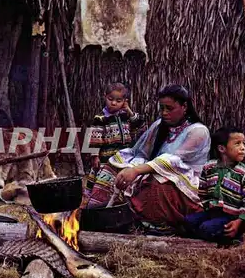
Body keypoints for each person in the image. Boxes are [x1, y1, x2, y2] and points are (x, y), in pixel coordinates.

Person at [83, 84, 211, 235]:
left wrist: (136, 171)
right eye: (162, 108)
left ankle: (156, 227)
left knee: (157, 183)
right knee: (113, 164)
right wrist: (127, 168)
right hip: (152, 171)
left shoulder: (198, 131)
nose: (164, 113)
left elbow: (173, 162)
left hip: (186, 185)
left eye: (169, 108)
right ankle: (100, 215)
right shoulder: (159, 126)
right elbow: (141, 152)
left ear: (184, 107)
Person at [183, 127, 245, 245]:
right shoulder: (209, 167)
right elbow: (203, 191)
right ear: (222, 148)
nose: (243, 148)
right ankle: (212, 233)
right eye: (237, 143)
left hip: (233, 217)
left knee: (205, 228)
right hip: (213, 213)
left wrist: (240, 221)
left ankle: (235, 235)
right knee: (188, 221)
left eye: (244, 143)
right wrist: (208, 207)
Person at [83, 83, 146, 208]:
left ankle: (120, 206)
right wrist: (95, 155)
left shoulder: (126, 117)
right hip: (106, 158)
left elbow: (141, 126)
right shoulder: (101, 118)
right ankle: (96, 206)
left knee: (121, 183)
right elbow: (95, 137)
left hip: (124, 158)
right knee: (103, 181)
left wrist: (128, 109)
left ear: (124, 101)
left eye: (118, 101)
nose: (113, 103)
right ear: (105, 97)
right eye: (110, 99)